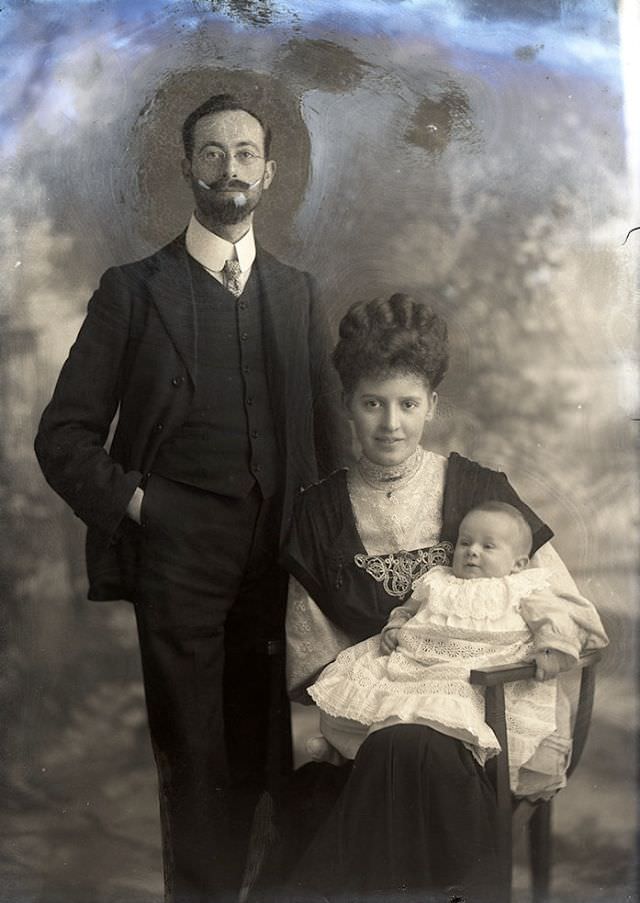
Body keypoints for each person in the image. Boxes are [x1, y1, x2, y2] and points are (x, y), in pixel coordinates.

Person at [34, 93, 344, 903]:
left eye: (245, 153)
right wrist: (145, 509)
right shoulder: (134, 291)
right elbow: (62, 436)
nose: (230, 168)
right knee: (199, 762)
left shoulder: (297, 292)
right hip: (180, 564)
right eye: (212, 152)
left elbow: (333, 438)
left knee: (276, 756)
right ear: (187, 167)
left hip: (279, 559)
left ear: (269, 172)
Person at [277, 293, 607, 903]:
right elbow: (311, 661)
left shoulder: (482, 493)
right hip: (376, 714)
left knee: (410, 748)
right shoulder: (318, 513)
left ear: (431, 404)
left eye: (407, 404)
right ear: (347, 406)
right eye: (371, 403)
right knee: (380, 755)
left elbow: (567, 612)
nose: (390, 424)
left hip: (492, 718)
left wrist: (528, 656)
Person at [307, 501, 605, 800]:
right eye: (465, 542)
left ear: (518, 564)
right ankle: (350, 753)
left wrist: (552, 649)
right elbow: (407, 610)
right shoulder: (438, 580)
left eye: (488, 546)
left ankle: (381, 762)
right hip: (416, 667)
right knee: (370, 696)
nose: (472, 551)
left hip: (472, 679)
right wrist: (394, 628)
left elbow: (555, 621)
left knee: (435, 713)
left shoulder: (521, 588)